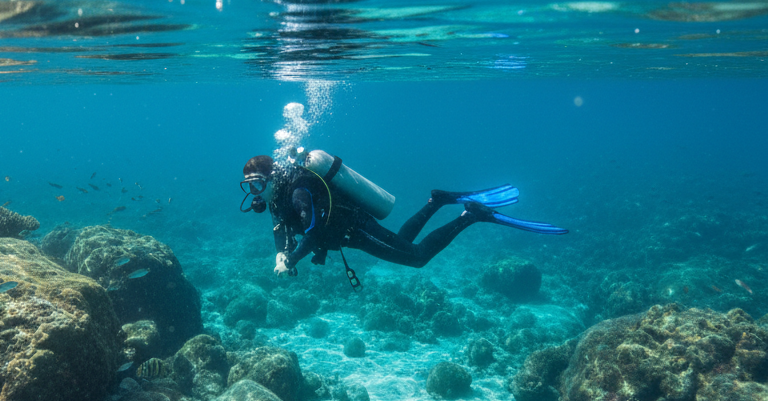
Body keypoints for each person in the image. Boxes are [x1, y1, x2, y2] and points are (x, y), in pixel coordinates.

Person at [239, 152, 566, 283]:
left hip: (355, 228)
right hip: (350, 233)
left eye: (256, 184)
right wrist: (282, 252)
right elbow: (281, 229)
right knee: (405, 243)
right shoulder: (276, 200)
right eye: (250, 187)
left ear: (270, 177)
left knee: (417, 257)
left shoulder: (296, 191)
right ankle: (437, 201)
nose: (254, 193)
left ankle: (471, 215)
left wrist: (293, 258)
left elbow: (311, 232)